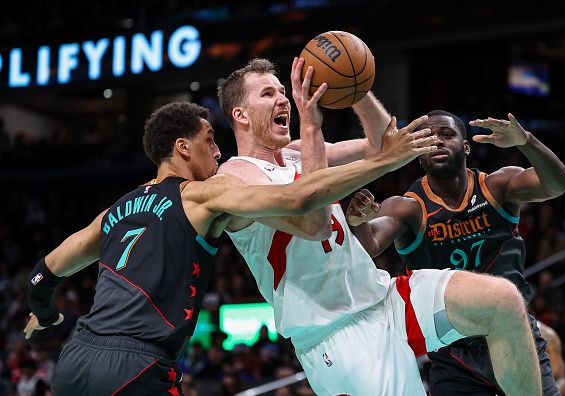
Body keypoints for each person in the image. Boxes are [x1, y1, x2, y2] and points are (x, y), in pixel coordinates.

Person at [22, 99, 438, 395]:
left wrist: (45, 313)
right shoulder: (201, 194)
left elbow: (45, 271)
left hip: (76, 358)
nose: (219, 151)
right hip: (137, 365)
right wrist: (383, 162)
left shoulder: (116, 210)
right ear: (183, 148)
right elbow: (298, 203)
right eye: (208, 140)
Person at [217, 58, 542, 395]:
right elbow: (313, 224)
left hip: (384, 296)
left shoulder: (300, 153)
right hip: (336, 333)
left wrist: (355, 86)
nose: (284, 99)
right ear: (241, 114)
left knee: (503, 300)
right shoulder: (235, 177)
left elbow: (385, 145)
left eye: (283, 91)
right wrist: (311, 128)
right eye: (268, 94)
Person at [346, 110, 565, 395]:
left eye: (447, 135)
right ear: (418, 153)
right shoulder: (408, 208)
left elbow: (558, 184)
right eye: (428, 138)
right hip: (453, 355)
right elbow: (371, 243)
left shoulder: (496, 187)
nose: (437, 142)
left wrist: (526, 141)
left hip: (516, 336)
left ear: (465, 147)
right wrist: (358, 222)